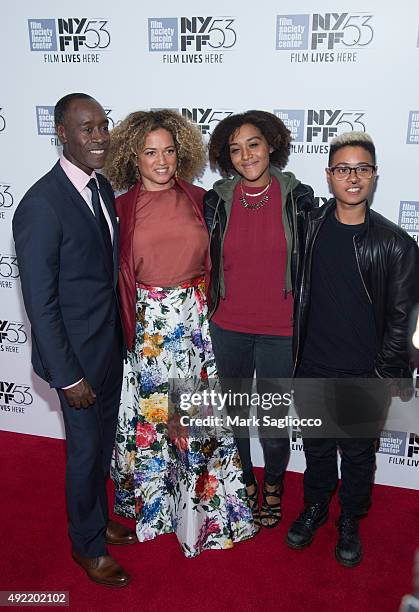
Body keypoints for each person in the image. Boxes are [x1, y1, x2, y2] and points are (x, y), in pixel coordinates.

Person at [103, 109, 256, 557]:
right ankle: (158, 509)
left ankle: (203, 511)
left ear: (181, 152)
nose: (162, 160)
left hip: (195, 325)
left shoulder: (200, 198)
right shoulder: (120, 208)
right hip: (149, 328)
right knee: (155, 422)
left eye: (169, 150)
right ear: (134, 157)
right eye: (151, 152)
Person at [12, 93, 136, 588]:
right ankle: (86, 546)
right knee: (84, 453)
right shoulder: (41, 204)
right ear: (62, 134)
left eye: (104, 125)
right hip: (77, 364)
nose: (100, 136)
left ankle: (97, 518)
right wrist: (67, 376)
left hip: (107, 348)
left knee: (101, 446)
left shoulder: (102, 188)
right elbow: (40, 305)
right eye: (87, 129)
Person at [286, 131, 419, 566]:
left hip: (365, 372)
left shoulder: (397, 244)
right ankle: (317, 505)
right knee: (318, 447)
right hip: (311, 366)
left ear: (375, 176)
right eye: (343, 169)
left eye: (362, 168)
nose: (353, 177)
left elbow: (404, 320)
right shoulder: (308, 229)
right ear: (329, 176)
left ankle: (350, 519)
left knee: (359, 455)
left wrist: (384, 376)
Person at [204, 110, 315, 529]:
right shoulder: (216, 199)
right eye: (235, 148)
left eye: (253, 144)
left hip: (279, 330)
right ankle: (244, 481)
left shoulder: (299, 198)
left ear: (271, 145)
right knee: (233, 415)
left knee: (271, 419)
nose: (246, 155)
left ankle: (273, 485)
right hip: (227, 325)